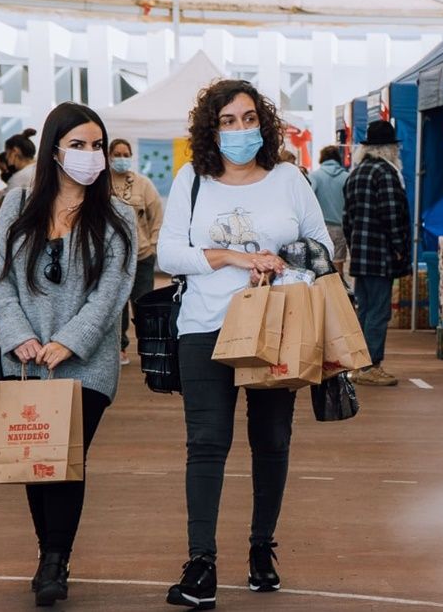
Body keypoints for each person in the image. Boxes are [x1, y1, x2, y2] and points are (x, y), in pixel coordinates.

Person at [158, 79, 331, 610]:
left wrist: (284, 263)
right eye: (228, 120)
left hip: (275, 324)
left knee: (272, 439)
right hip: (206, 325)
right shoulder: (191, 180)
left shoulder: (288, 179)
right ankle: (201, 561)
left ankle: (261, 549)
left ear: (264, 123)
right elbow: (168, 254)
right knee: (207, 442)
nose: (239, 129)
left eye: (248, 118)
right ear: (211, 129)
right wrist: (234, 258)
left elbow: (321, 247)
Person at [0, 102, 136, 607]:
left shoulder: (117, 216)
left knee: (66, 457)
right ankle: (47, 552)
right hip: (23, 359)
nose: (91, 156)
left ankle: (55, 560)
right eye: (79, 145)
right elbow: (0, 279)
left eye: (97, 145)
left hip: (86, 362)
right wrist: (17, 335)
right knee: (34, 457)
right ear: (54, 150)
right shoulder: (19, 204)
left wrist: (69, 341)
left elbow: (113, 291)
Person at [342, 120, 411, 387]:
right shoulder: (386, 173)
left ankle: (358, 363)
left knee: (365, 309)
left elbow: (347, 218)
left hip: (360, 254)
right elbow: (393, 215)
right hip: (381, 255)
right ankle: (370, 365)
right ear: (389, 148)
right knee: (379, 312)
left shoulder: (356, 174)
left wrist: (353, 244)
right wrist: (399, 249)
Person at [108, 137, 164, 365]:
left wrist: (152, 245)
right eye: (117, 154)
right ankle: (119, 348)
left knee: (143, 303)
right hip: (113, 258)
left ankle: (148, 347)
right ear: (109, 156)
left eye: (125, 154)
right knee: (116, 305)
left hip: (142, 255)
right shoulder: (100, 183)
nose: (121, 159)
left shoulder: (143, 184)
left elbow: (156, 216)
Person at [308, 145, 349, 276]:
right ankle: (339, 294)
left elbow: (308, 200)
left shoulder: (315, 176)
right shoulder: (347, 177)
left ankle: (323, 296)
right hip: (340, 228)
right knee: (338, 267)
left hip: (320, 229)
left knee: (320, 267)